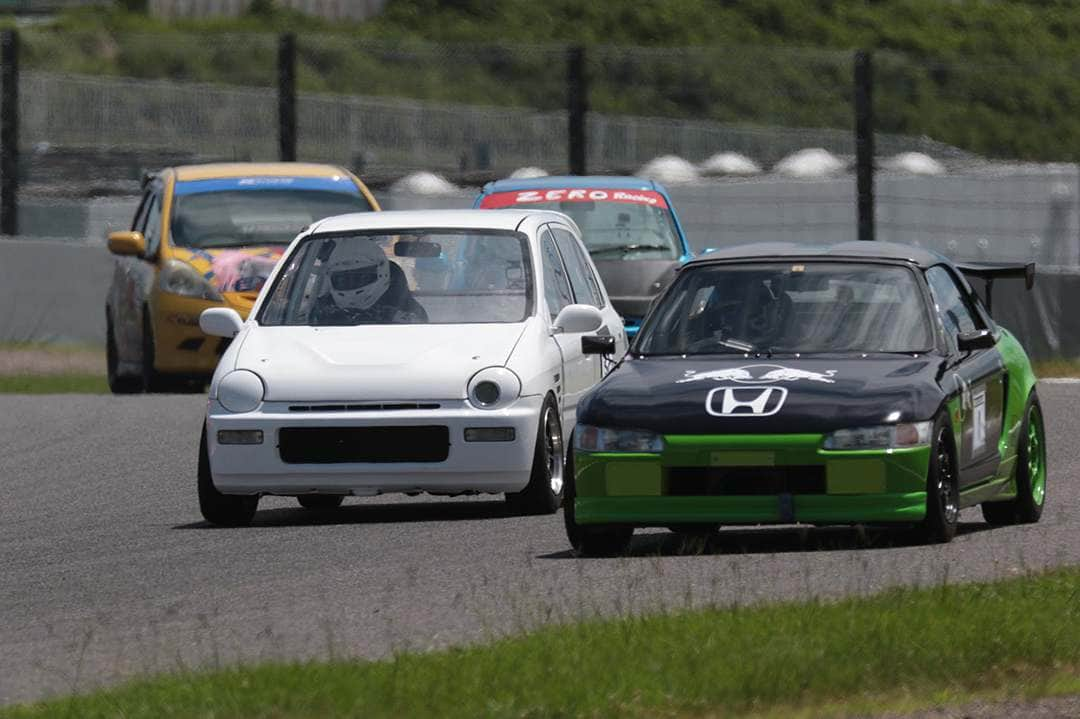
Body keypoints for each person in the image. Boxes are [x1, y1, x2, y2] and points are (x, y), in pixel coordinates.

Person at [310, 239, 427, 325]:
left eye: (360, 278)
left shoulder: (407, 314)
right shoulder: (320, 311)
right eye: (342, 280)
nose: (351, 285)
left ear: (383, 274)